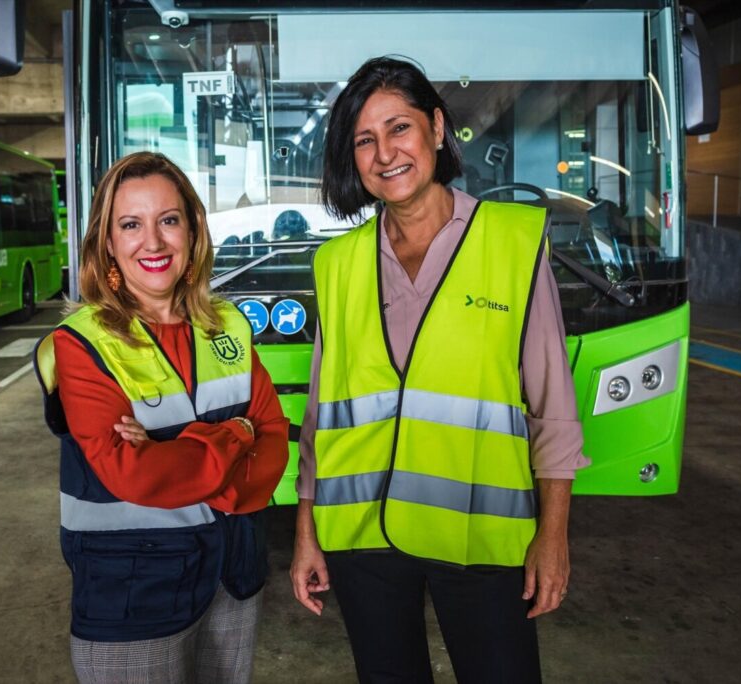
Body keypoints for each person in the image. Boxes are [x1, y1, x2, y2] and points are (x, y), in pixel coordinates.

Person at [289, 57, 590, 683]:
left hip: (478, 534)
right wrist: (306, 532)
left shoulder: (510, 241)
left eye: (399, 128)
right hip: (360, 537)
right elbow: (322, 416)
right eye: (364, 140)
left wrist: (553, 534)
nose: (385, 153)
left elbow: (552, 403)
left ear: (437, 128)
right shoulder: (337, 263)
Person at [34, 151, 289, 683]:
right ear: (107, 241)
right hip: (133, 596)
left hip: (232, 579)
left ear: (193, 232)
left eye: (168, 220)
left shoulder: (228, 326)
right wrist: (234, 434)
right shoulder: (81, 344)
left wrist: (179, 448)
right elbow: (135, 475)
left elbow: (273, 450)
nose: (152, 242)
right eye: (131, 224)